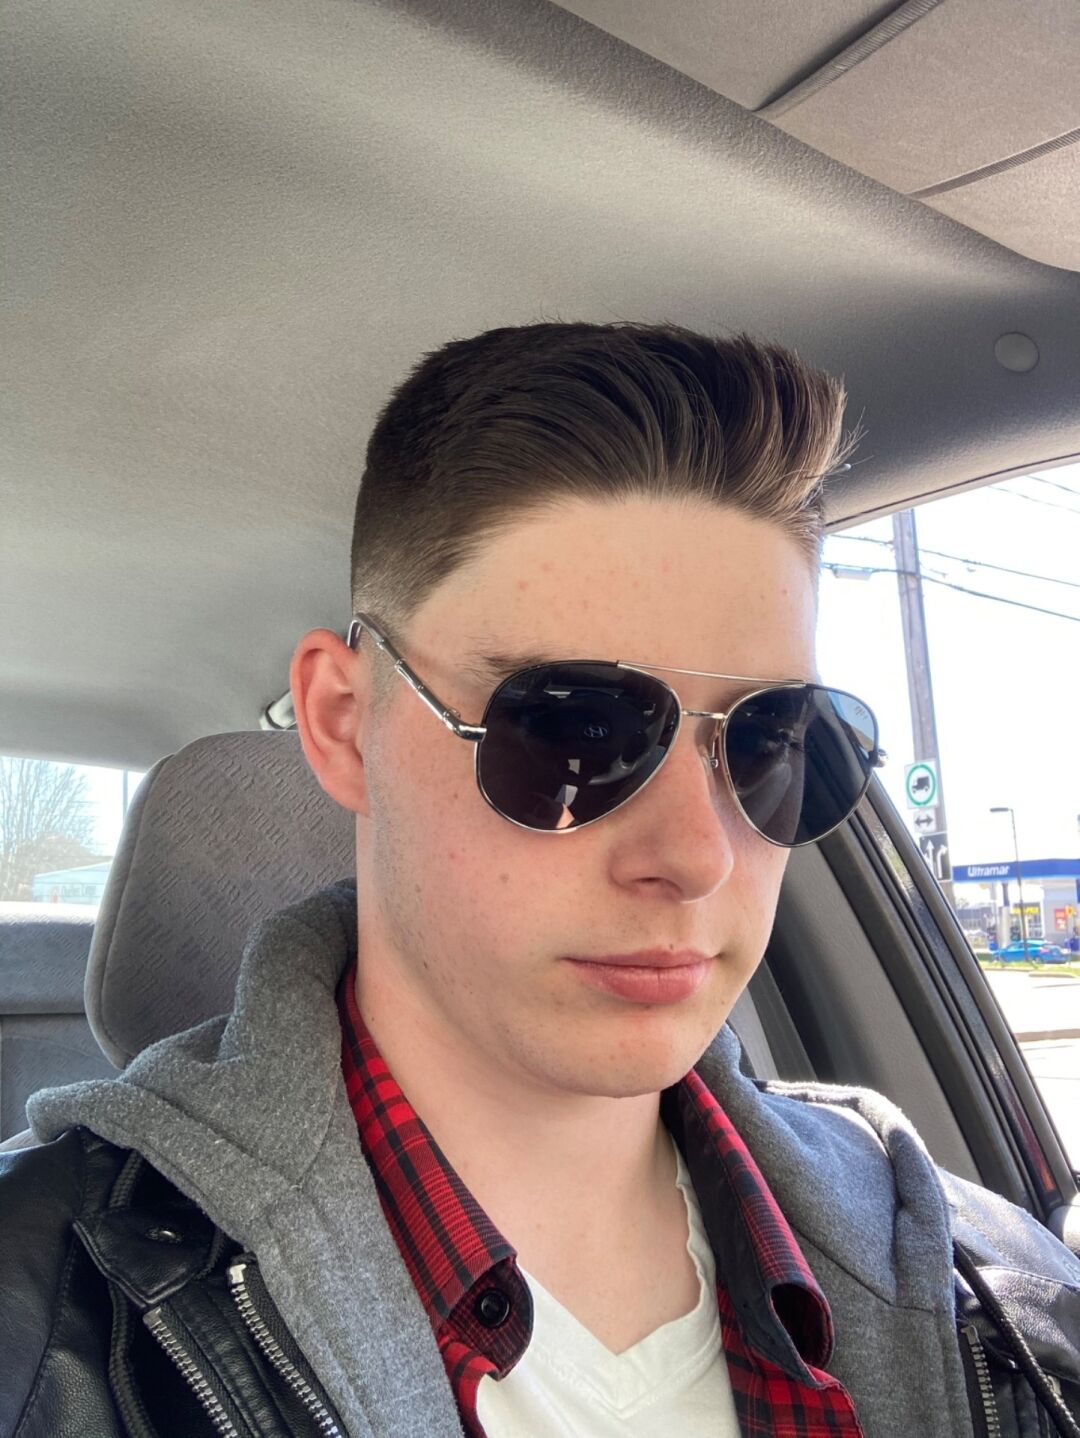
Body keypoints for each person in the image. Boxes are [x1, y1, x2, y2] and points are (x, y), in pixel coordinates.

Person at [2, 323, 1078, 1438]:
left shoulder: (996, 1293)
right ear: (345, 723)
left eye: (769, 741)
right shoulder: (39, 1337)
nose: (698, 855)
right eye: (572, 730)